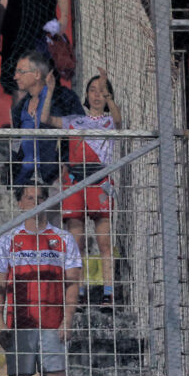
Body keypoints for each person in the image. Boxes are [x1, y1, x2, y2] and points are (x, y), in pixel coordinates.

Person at [0, 184, 82, 376]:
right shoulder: (9, 239)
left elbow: (72, 283)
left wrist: (68, 320)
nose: (35, 203)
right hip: (19, 326)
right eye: (29, 198)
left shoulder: (64, 238)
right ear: (20, 203)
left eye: (40, 198)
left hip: (53, 325)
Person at [41, 69, 122, 304]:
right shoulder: (74, 120)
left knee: (104, 241)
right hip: (75, 182)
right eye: (92, 90)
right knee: (76, 242)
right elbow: (45, 119)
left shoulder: (109, 121)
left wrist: (109, 98)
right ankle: (80, 291)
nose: (97, 95)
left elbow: (118, 120)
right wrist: (50, 91)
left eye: (102, 91)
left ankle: (108, 293)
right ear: (86, 95)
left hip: (100, 183)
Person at [10, 50, 84, 186]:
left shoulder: (63, 99)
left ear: (37, 74)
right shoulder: (19, 109)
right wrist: (13, 175)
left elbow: (80, 130)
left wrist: (68, 164)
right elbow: (16, 145)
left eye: (21, 72)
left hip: (56, 177)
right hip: (25, 179)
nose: (15, 77)